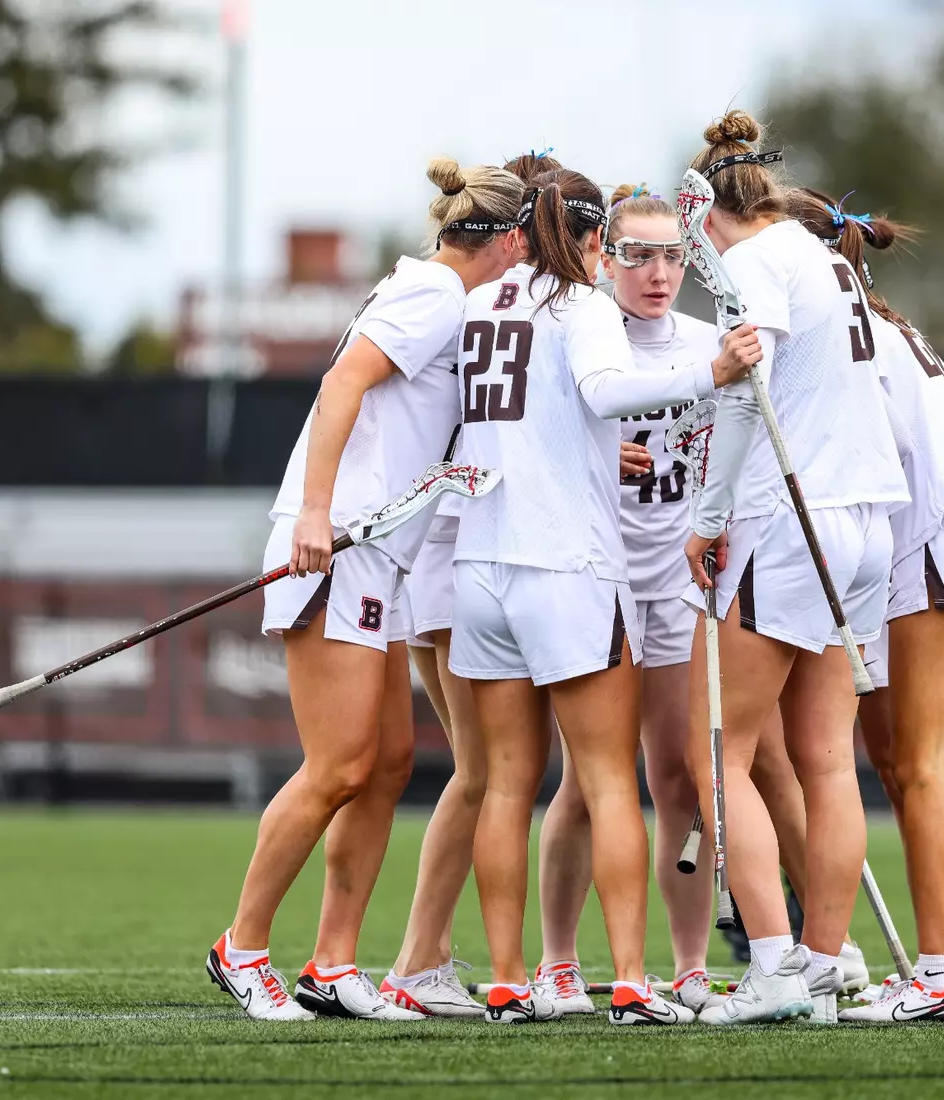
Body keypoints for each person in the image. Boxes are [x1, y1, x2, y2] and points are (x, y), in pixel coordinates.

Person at [205, 158, 526, 1021]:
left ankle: (334, 964)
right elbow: (340, 384)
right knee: (339, 764)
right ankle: (241, 946)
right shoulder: (433, 296)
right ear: (504, 240)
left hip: (378, 553)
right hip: (335, 545)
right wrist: (314, 512)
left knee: (383, 765)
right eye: (526, 238)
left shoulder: (441, 295)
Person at [450, 166, 760, 1025]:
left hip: (481, 567)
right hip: (570, 569)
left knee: (509, 783)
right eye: (627, 252)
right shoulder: (581, 304)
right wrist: (713, 376)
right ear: (595, 243)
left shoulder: (481, 303)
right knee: (605, 783)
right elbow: (600, 392)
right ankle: (627, 981)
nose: (651, 271)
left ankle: (511, 983)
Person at [773, 187, 944, 1024]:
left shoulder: (841, 338)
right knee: (930, 764)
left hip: (932, 533)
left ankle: (941, 973)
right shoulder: (890, 326)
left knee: (917, 766)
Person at [679, 111, 909, 1026]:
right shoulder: (827, 256)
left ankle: (774, 965)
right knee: (825, 762)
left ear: (704, 209)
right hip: (863, 524)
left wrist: (707, 515)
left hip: (793, 516)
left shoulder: (755, 261)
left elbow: (746, 384)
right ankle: (822, 965)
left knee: (719, 749)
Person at [380, 150, 569, 1020]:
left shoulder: (475, 301)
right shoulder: (482, 303)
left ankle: (427, 958)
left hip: (448, 551)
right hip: (459, 549)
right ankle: (420, 960)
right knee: (486, 774)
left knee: (481, 772)